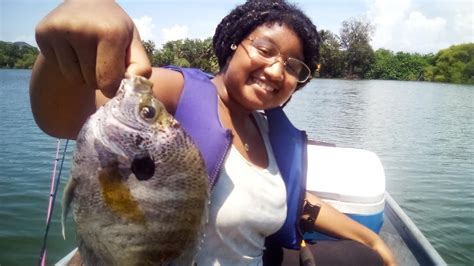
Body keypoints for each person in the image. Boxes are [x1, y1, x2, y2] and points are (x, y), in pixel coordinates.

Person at [30, 0, 396, 265]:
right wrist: (82, 18)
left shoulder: (266, 128)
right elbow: (61, 117)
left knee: (365, 258)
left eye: (292, 66)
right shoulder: (178, 90)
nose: (274, 70)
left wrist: (372, 240)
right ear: (234, 44)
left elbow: (293, 198)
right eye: (265, 50)